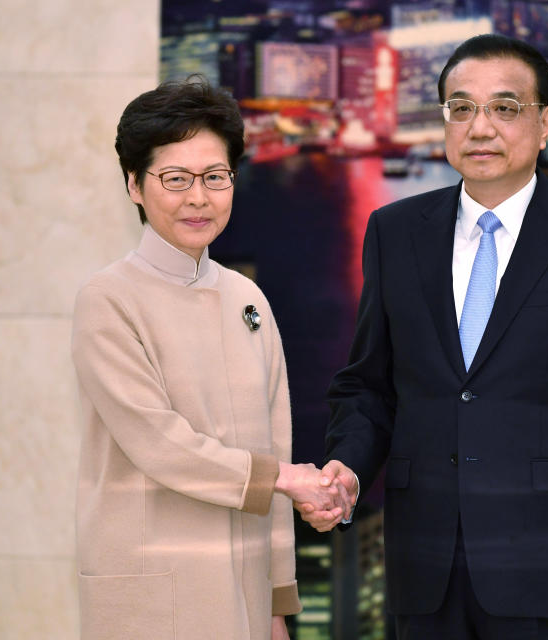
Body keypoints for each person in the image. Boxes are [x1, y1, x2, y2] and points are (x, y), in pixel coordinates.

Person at [298, 35, 548, 640]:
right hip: (425, 564)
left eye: (504, 107)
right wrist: (348, 469)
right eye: (461, 108)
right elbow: (369, 386)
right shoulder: (395, 232)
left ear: (545, 121)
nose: (480, 127)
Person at [71, 77, 350, 640]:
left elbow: (273, 446)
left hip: (243, 594)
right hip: (153, 594)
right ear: (134, 185)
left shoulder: (247, 299)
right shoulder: (109, 299)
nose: (198, 197)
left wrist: (277, 602)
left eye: (215, 177)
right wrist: (287, 479)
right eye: (175, 179)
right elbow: (161, 444)